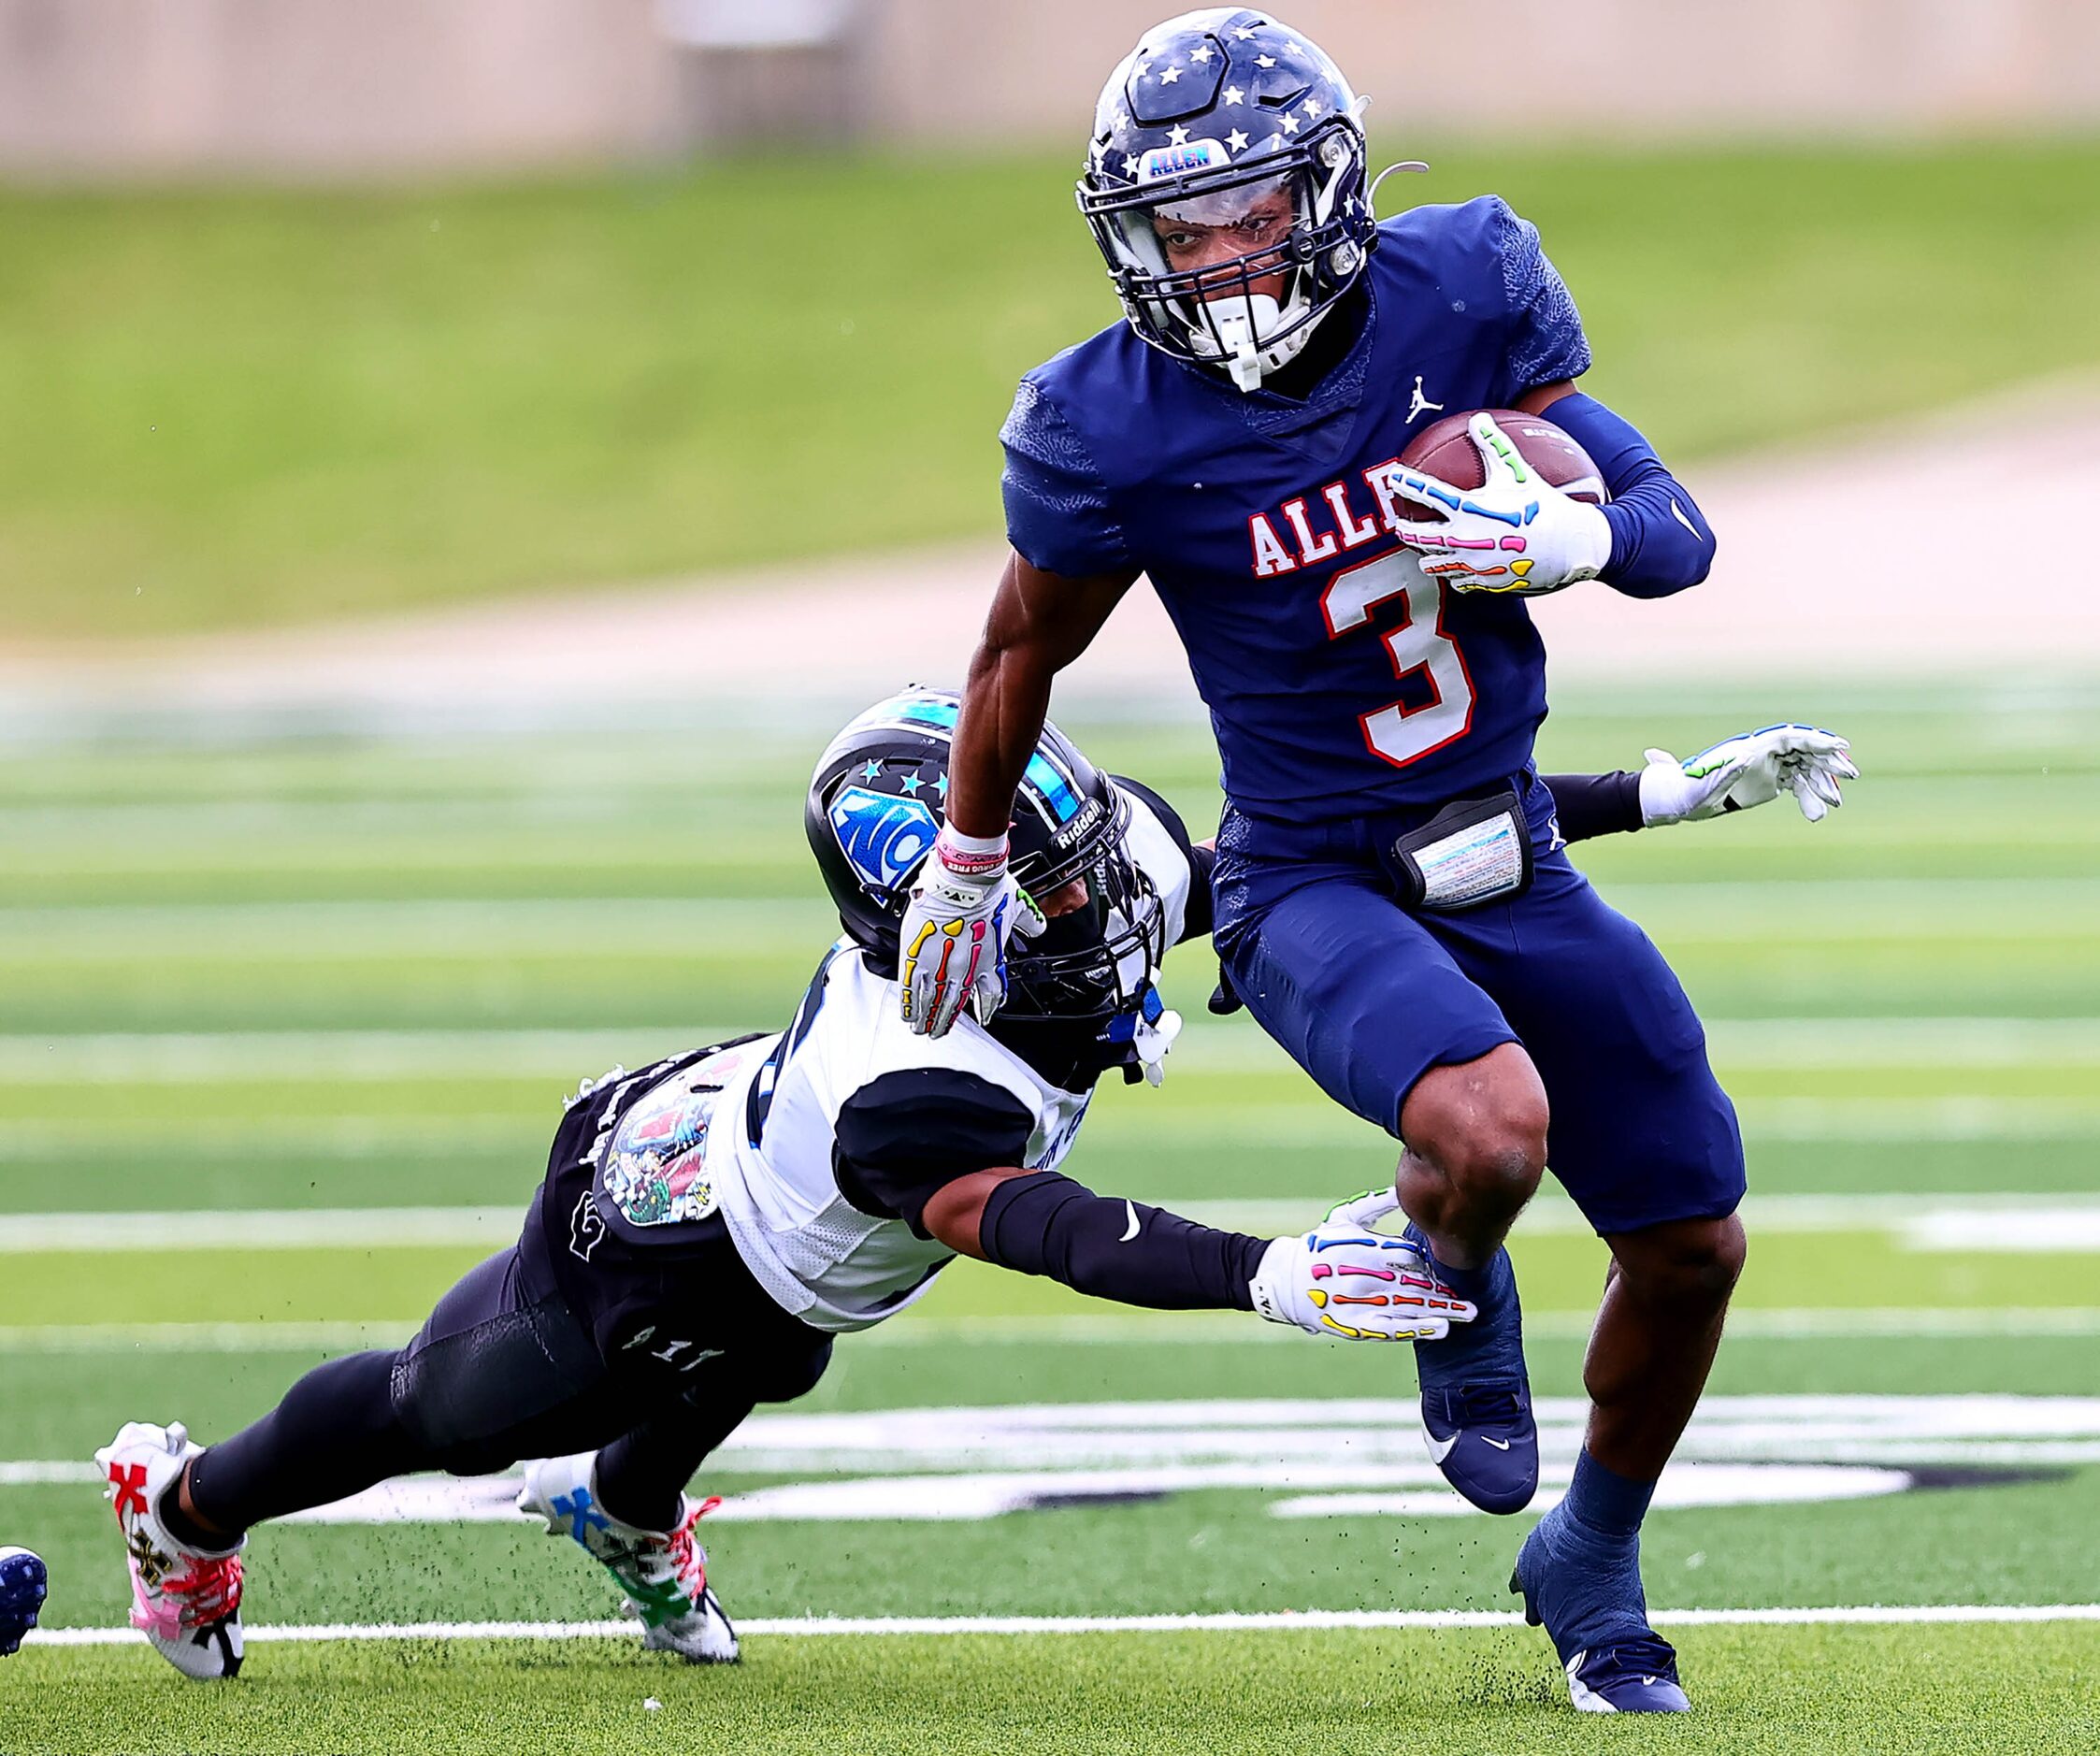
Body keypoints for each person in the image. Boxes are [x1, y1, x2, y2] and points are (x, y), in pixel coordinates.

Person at [91, 689, 1825, 1687]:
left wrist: (1644, 796)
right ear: (922, 933)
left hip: (784, 1251)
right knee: (464, 1408)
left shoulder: (1106, 855)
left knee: (782, 1362)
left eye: (1069, 873)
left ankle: (625, 1515)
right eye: (1033, 902)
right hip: (670, 1237)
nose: (1090, 913)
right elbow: (1047, 1231)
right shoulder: (908, 1093)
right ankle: (181, 1511)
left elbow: (1364, 855)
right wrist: (1273, 1271)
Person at [891, 9, 1856, 1715]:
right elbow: (1012, 652)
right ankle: (1454, 1279)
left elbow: (1679, 540)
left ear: (1326, 188)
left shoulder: (1461, 287)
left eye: (1250, 212)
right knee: (1489, 1128)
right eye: (1178, 229)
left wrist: (1569, 536)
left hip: (1515, 851)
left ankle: (1593, 1557)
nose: (1218, 258)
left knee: (1695, 1243)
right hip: (1306, 878)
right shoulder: (1107, 423)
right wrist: (968, 851)